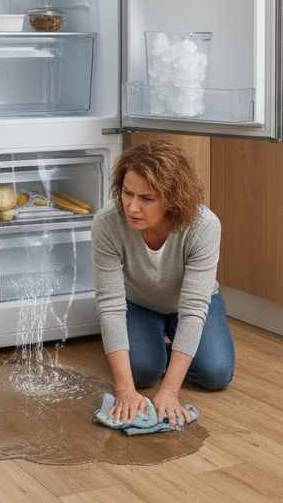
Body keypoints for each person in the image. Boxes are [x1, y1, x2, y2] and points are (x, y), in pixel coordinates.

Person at [92, 139, 234, 427]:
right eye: (127, 192)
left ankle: (170, 348)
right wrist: (125, 390)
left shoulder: (204, 226)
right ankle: (151, 345)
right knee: (140, 373)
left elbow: (194, 308)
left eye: (147, 198)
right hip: (140, 303)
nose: (132, 206)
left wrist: (169, 391)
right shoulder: (107, 224)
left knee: (216, 374)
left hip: (190, 307)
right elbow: (110, 306)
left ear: (172, 198)